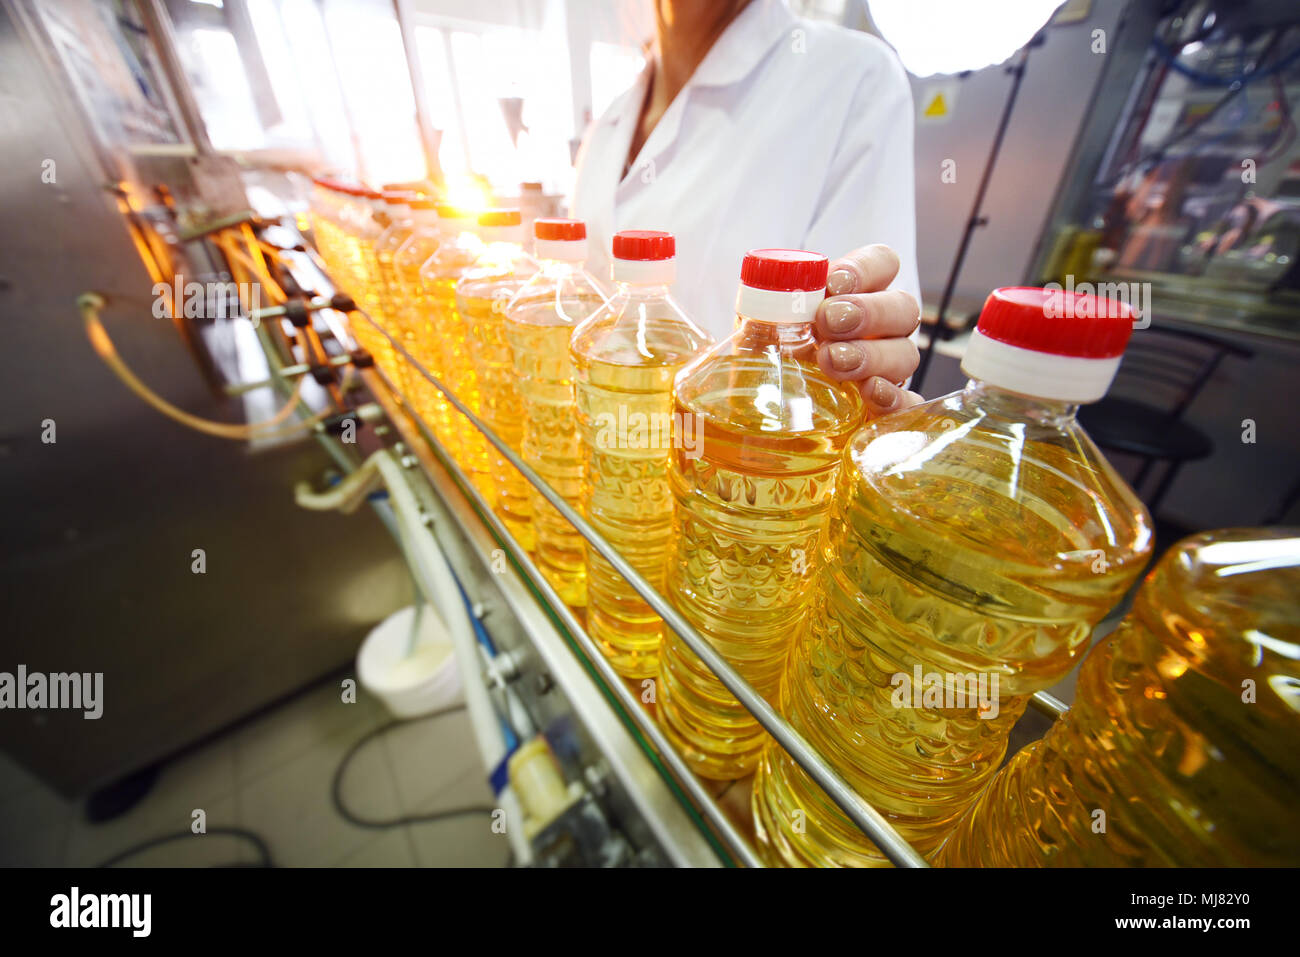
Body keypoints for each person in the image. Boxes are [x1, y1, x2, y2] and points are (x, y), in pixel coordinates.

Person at [572, 0, 923, 415]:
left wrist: (859, 352)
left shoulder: (851, 76)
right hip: (603, 449)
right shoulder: (611, 117)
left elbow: (846, 377)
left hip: (728, 462)